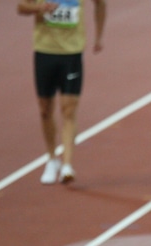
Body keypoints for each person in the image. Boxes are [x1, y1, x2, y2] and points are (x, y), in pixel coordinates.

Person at [18, 0, 107, 185]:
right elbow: (21, 7)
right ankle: (52, 159)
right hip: (45, 52)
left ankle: (67, 164)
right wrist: (38, 8)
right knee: (45, 110)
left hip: (71, 53)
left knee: (68, 109)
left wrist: (98, 36)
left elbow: (100, 3)